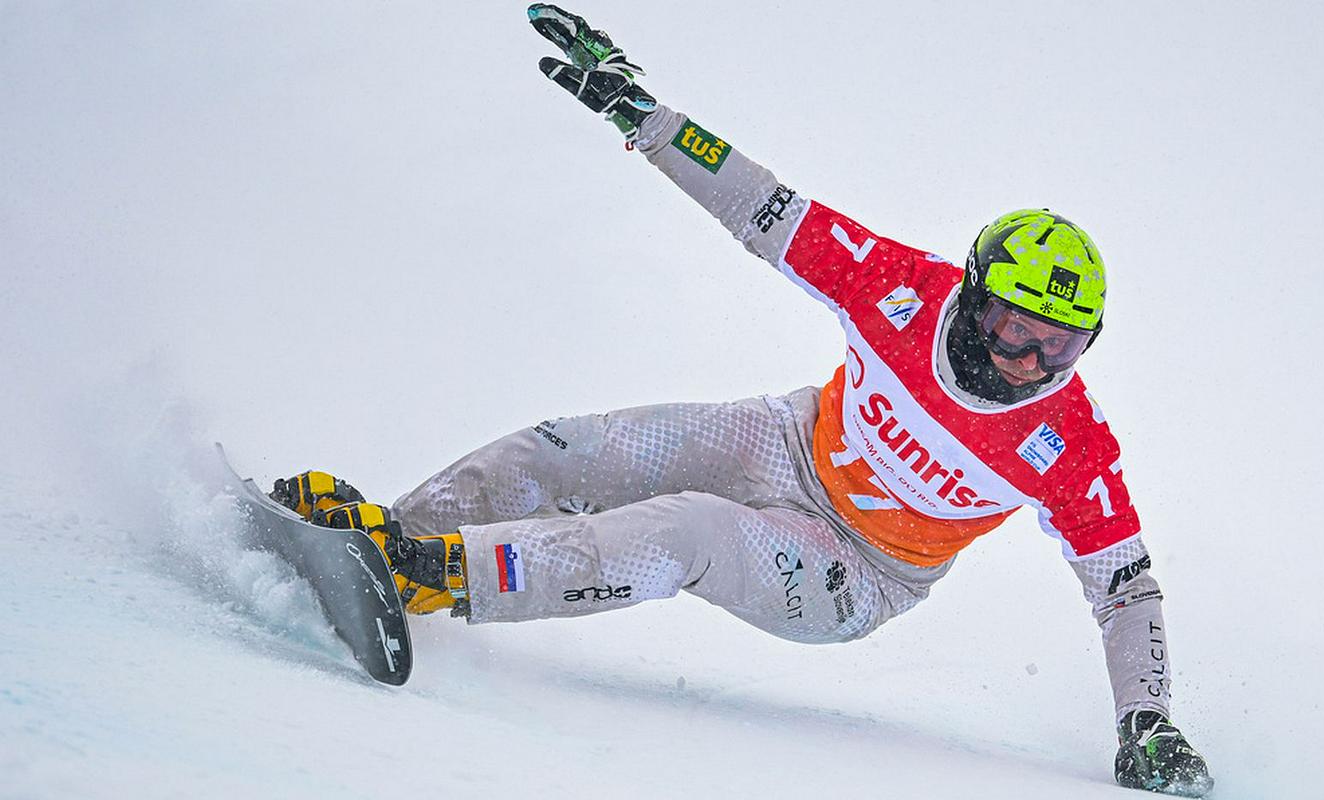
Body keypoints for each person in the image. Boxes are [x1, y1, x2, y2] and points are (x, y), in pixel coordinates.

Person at [271, 6, 1213, 795]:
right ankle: (382, 542)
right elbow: (762, 205)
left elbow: (1124, 589)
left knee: (685, 532)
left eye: (1062, 344)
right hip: (788, 440)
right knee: (566, 452)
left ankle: (429, 574)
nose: (1031, 361)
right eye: (1017, 328)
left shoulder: (1069, 443)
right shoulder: (901, 291)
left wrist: (1147, 723)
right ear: (971, 295)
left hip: (857, 569)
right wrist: (639, 113)